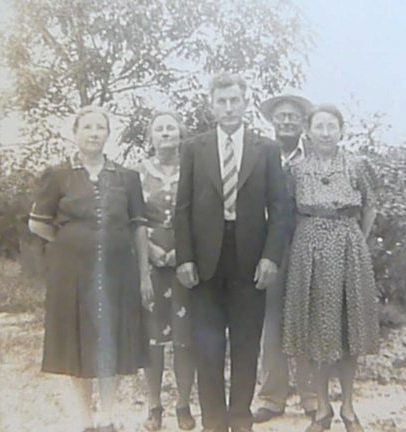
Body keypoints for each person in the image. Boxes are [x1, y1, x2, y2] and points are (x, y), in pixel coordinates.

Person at [175, 72, 289, 432]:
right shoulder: (194, 147)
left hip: (251, 260)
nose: (228, 108)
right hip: (206, 261)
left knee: (245, 344)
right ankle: (213, 423)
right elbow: (183, 207)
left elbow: (280, 207)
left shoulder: (266, 149)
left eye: (234, 101)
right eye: (221, 102)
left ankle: (240, 419)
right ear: (211, 106)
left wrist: (271, 257)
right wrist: (186, 258)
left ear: (245, 103)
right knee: (207, 347)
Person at [28, 106, 153, 432]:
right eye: (87, 127)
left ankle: (108, 417)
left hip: (117, 274)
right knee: (76, 345)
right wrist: (71, 241)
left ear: (108, 134)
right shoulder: (57, 176)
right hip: (71, 276)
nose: (94, 133)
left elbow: (139, 229)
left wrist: (144, 276)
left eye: (100, 127)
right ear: (76, 133)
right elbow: (37, 224)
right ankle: (84, 422)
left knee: (110, 343)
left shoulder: (127, 178)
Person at [282, 104, 379, 432]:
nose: (324, 132)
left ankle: (348, 408)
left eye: (331, 126)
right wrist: (306, 243)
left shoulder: (356, 164)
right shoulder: (296, 168)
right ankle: (322, 409)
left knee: (349, 330)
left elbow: (370, 204)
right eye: (319, 126)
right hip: (308, 251)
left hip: (348, 247)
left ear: (341, 130)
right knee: (316, 332)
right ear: (308, 130)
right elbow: (288, 212)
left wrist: (357, 240)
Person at [253, 94, 317, 423]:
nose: (287, 121)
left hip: (308, 243)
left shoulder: (314, 156)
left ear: (303, 122)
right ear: (272, 122)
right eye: (281, 116)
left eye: (293, 116)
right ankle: (272, 397)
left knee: (305, 317)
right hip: (270, 246)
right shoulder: (261, 154)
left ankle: (311, 396)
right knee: (272, 321)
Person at [137, 111, 196, 431]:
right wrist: (151, 250)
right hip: (152, 263)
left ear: (180, 133)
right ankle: (154, 406)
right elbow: (133, 219)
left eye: (171, 127)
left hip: (185, 263)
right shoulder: (138, 173)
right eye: (159, 128)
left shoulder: (192, 170)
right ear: (151, 136)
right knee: (153, 339)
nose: (165, 133)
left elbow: (202, 216)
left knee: (185, 339)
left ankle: (184, 405)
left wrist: (183, 253)